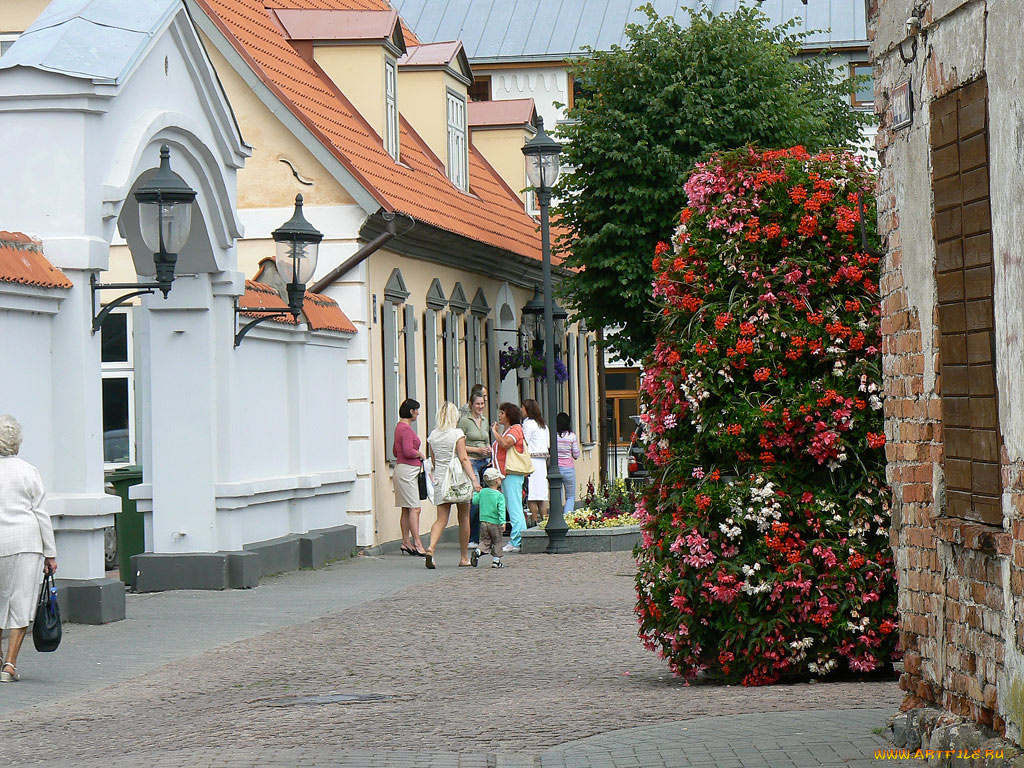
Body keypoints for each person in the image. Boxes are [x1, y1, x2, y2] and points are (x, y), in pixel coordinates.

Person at [0, 415, 57, 683]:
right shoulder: (28, 470)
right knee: (21, 601)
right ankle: (10, 665)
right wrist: (50, 552)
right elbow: (40, 514)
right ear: (16, 443)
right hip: (25, 542)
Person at [424, 402, 481, 569]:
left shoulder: (433, 435)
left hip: (441, 479)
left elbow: (434, 460)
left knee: (441, 518)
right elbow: (463, 458)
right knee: (464, 518)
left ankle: (431, 548)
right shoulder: (457, 433)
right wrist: (474, 480)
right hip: (458, 479)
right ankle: (464, 557)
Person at [491, 402, 528, 553]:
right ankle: (520, 538)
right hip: (507, 473)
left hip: (512, 473)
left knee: (514, 508)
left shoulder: (515, 430)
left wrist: (494, 432)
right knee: (515, 506)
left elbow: (506, 444)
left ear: (509, 415)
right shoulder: (509, 429)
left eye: (502, 413)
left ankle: (516, 540)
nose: (499, 415)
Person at [392, 398, 427, 556]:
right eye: (417, 410)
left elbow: (395, 451)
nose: (418, 413)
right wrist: (419, 453)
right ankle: (417, 543)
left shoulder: (399, 427)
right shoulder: (406, 429)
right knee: (415, 508)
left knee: (407, 509)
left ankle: (406, 541)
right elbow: (407, 451)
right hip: (408, 472)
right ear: (411, 411)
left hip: (402, 470)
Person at [458, 386, 491, 548]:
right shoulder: (464, 421)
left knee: (486, 499)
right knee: (475, 500)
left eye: (482, 404)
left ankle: (482, 536)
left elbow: (485, 439)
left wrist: (488, 448)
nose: (480, 407)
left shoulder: (484, 421)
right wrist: (477, 450)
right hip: (471, 461)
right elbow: (460, 445)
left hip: (484, 461)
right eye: (477, 404)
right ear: (471, 405)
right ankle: (471, 536)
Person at [520, 399, 550, 526]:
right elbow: (548, 444)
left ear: (528, 409)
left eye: (523, 407)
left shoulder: (528, 424)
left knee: (531, 492)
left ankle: (534, 521)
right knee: (541, 493)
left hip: (531, 460)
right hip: (542, 461)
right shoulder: (543, 426)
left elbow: (524, 441)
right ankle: (545, 519)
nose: (521, 410)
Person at [470, 467, 507, 568]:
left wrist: (476, 493)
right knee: (497, 540)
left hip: (483, 522)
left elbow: (474, 501)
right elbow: (501, 510)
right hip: (495, 522)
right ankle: (496, 561)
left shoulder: (483, 492)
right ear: (496, 481)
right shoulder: (499, 495)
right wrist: (503, 522)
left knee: (485, 540)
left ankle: (478, 551)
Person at [556, 412, 581, 514]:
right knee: (570, 496)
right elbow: (576, 454)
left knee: (558, 494)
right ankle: (567, 516)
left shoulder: (554, 436)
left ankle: (558, 516)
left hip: (557, 469)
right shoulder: (572, 436)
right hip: (569, 468)